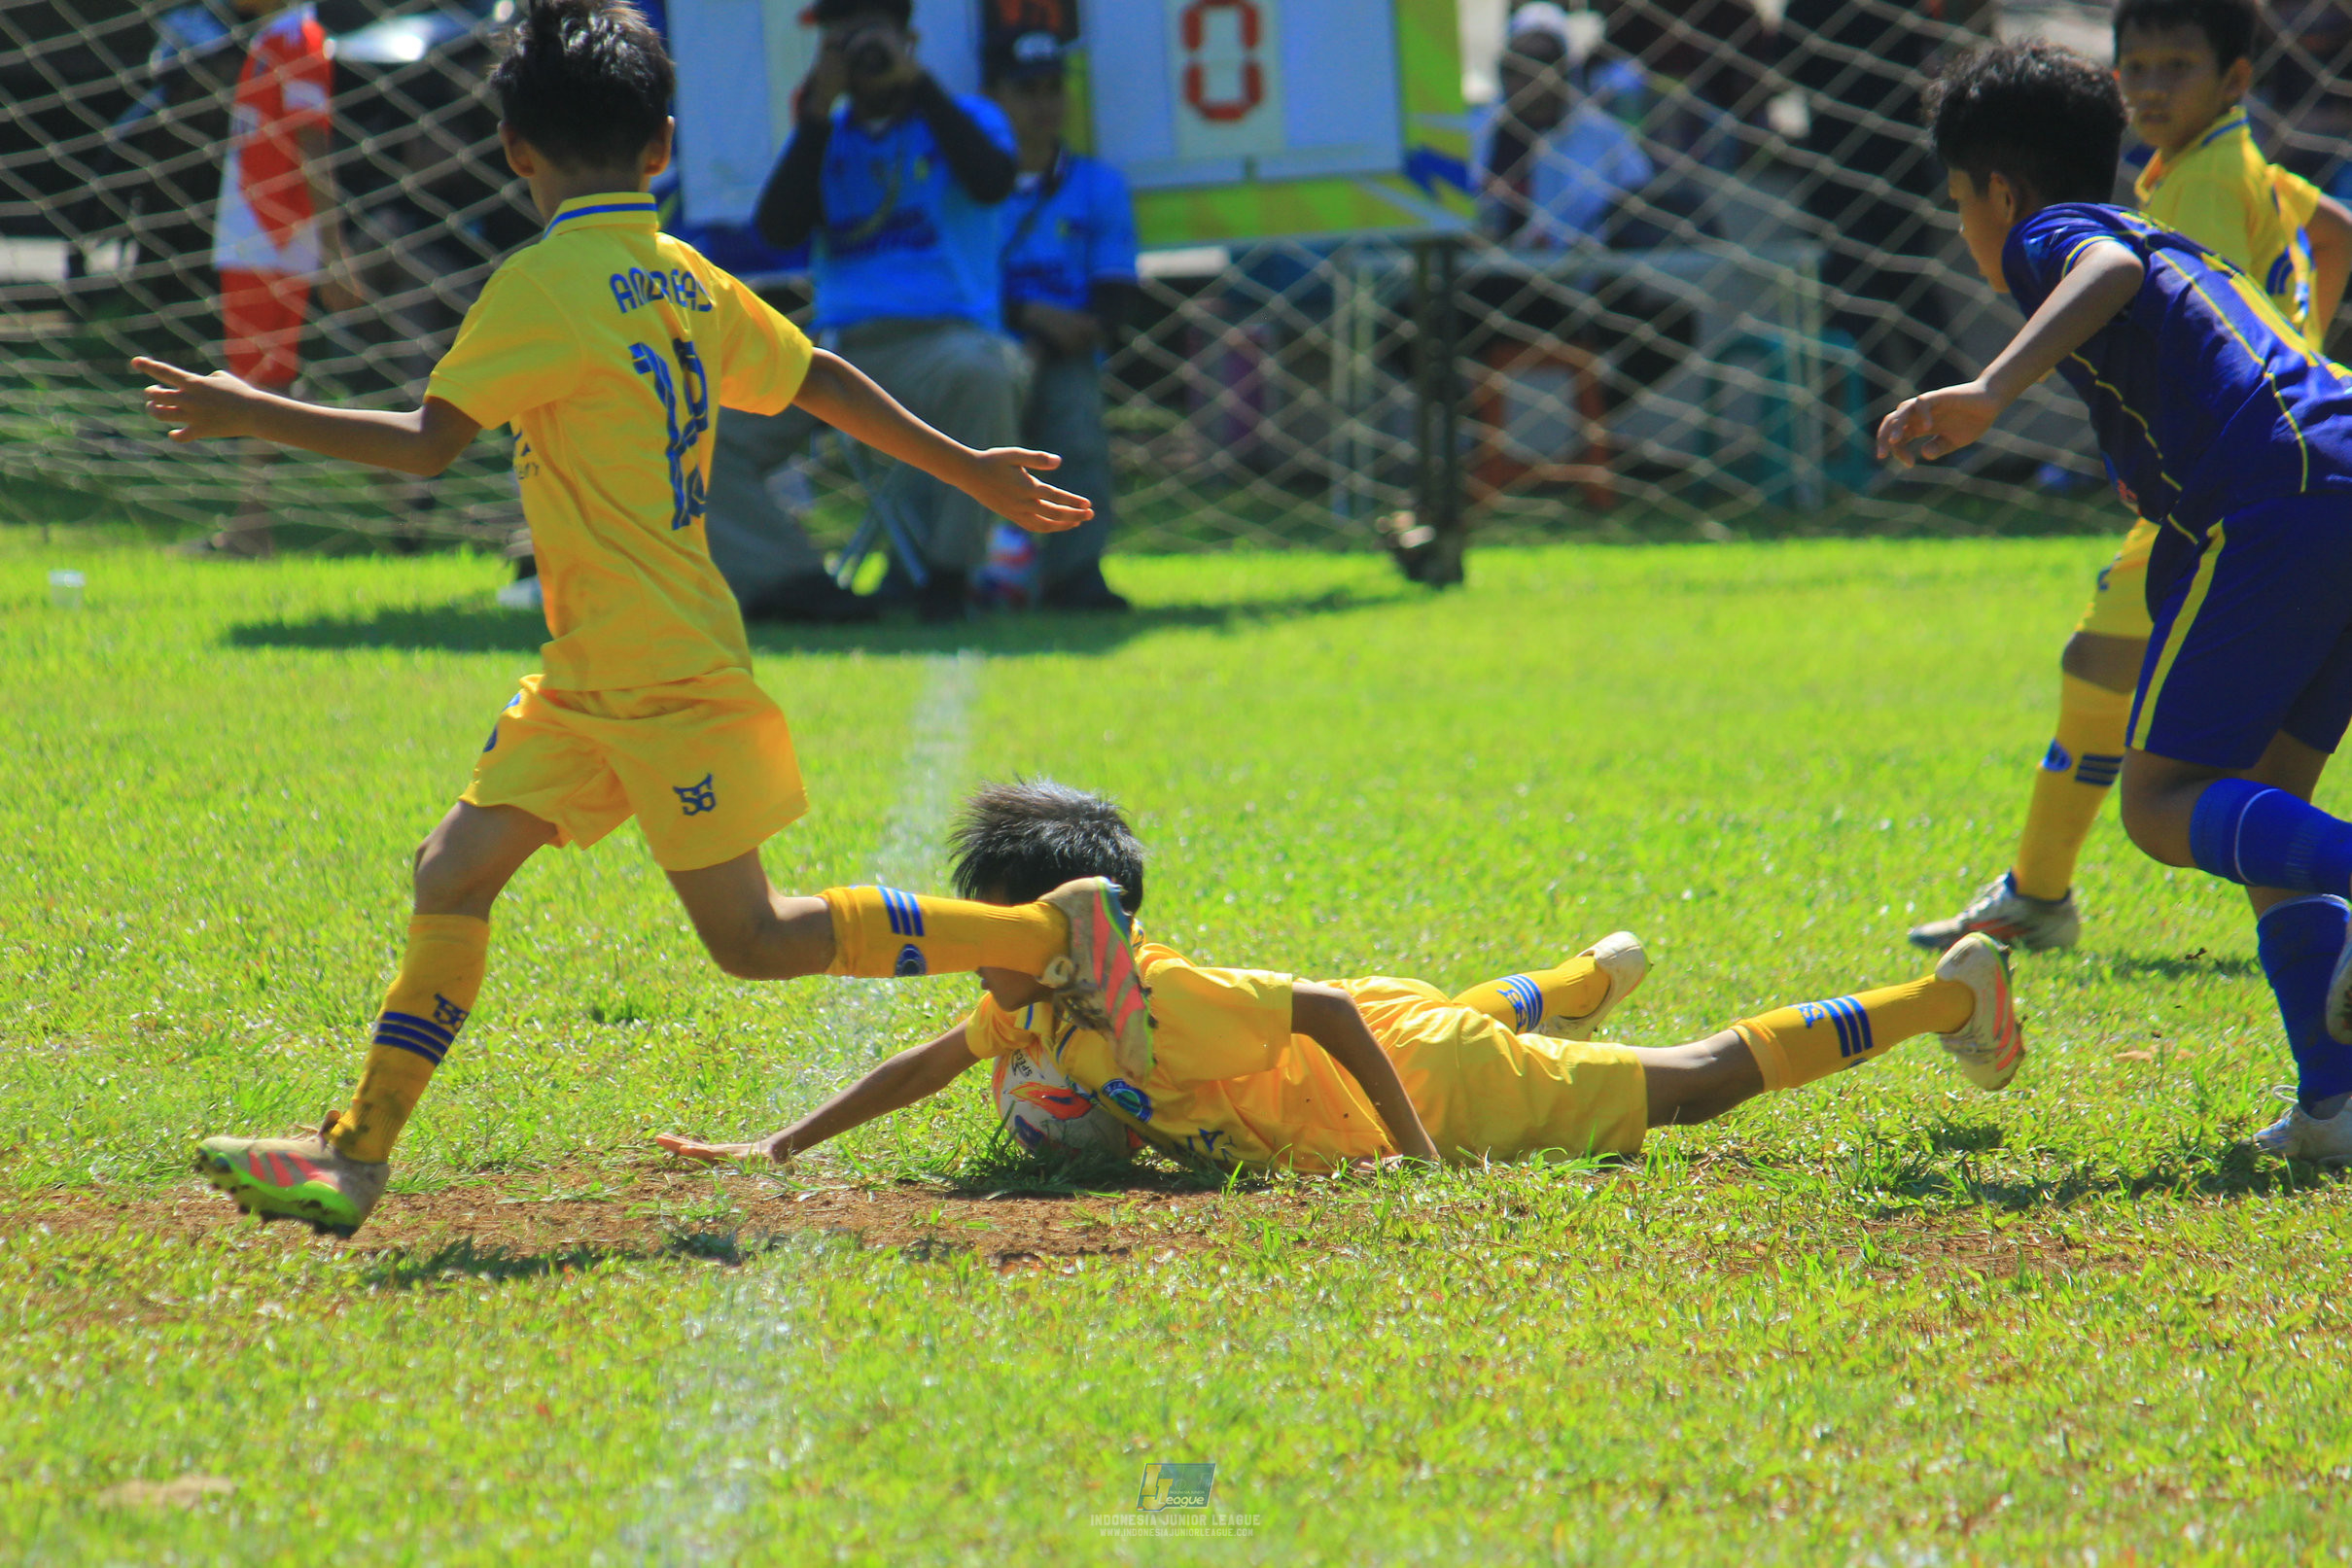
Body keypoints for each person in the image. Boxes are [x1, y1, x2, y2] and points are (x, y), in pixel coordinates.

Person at [131, 0, 1150, 1237]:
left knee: (754, 938)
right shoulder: (678, 275)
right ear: (662, 143)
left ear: (514, 149)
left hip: (660, 671)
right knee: (451, 870)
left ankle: (1047, 932)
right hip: (593, 670)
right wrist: (970, 468)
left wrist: (253, 409)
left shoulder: (543, 284)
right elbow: (813, 371)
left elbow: (424, 446)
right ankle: (354, 1154)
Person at [657, 781, 2024, 1174]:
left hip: (1408, 1076)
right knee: (1444, 1008)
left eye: (986, 918)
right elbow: (931, 1061)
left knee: (1695, 1089)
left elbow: (1311, 1015)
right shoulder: (1034, 997)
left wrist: (1420, 1157)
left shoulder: (1155, 998)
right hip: (1371, 1022)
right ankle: (1579, 976)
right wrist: (779, 1141)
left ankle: (1947, 998)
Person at [1881, 41, 2352, 1164]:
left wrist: (1992, 388)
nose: (1964, 229)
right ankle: (2335, 1104)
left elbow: (2107, 279)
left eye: (1959, 204)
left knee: (2157, 805)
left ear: (2003, 190)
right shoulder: (2178, 242)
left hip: (2279, 491)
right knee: (2262, 809)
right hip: (2321, 472)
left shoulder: (2059, 234)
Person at [740, 0, 1028, 622]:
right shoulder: (822, 138)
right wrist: (818, 111)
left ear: (910, 40)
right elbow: (777, 228)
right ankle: (793, 582)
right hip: (840, 348)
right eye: (844, 39)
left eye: (876, 36)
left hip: (946, 341)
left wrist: (915, 84)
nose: (864, 53)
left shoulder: (968, 119)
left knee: (985, 373)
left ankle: (949, 579)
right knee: (709, 433)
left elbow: (992, 182)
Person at [177, 0, 360, 559]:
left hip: (270, 239)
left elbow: (311, 144)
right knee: (269, 380)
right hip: (262, 237)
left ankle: (251, 529)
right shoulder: (273, 38)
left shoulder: (297, 39)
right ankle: (252, 525)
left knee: (258, 385)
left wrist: (332, 250)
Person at [988, 29, 1139, 613]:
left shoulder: (1099, 185)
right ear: (994, 95)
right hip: (988, 342)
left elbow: (1117, 290)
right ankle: (944, 569)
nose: (1044, 104)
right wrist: (1028, 320)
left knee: (1075, 423)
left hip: (1068, 348)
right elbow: (958, 284)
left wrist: (1064, 335)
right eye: (1027, 90)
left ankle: (1075, 574)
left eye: (1054, 88)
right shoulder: (973, 183)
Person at [1476, 5, 1653, 251]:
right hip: (1490, 278)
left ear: (1566, 70)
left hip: (1589, 278)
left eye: (1544, 62)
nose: (1533, 76)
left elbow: (1641, 205)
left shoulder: (1606, 137)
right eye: (1520, 65)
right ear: (1503, 71)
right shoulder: (1477, 137)